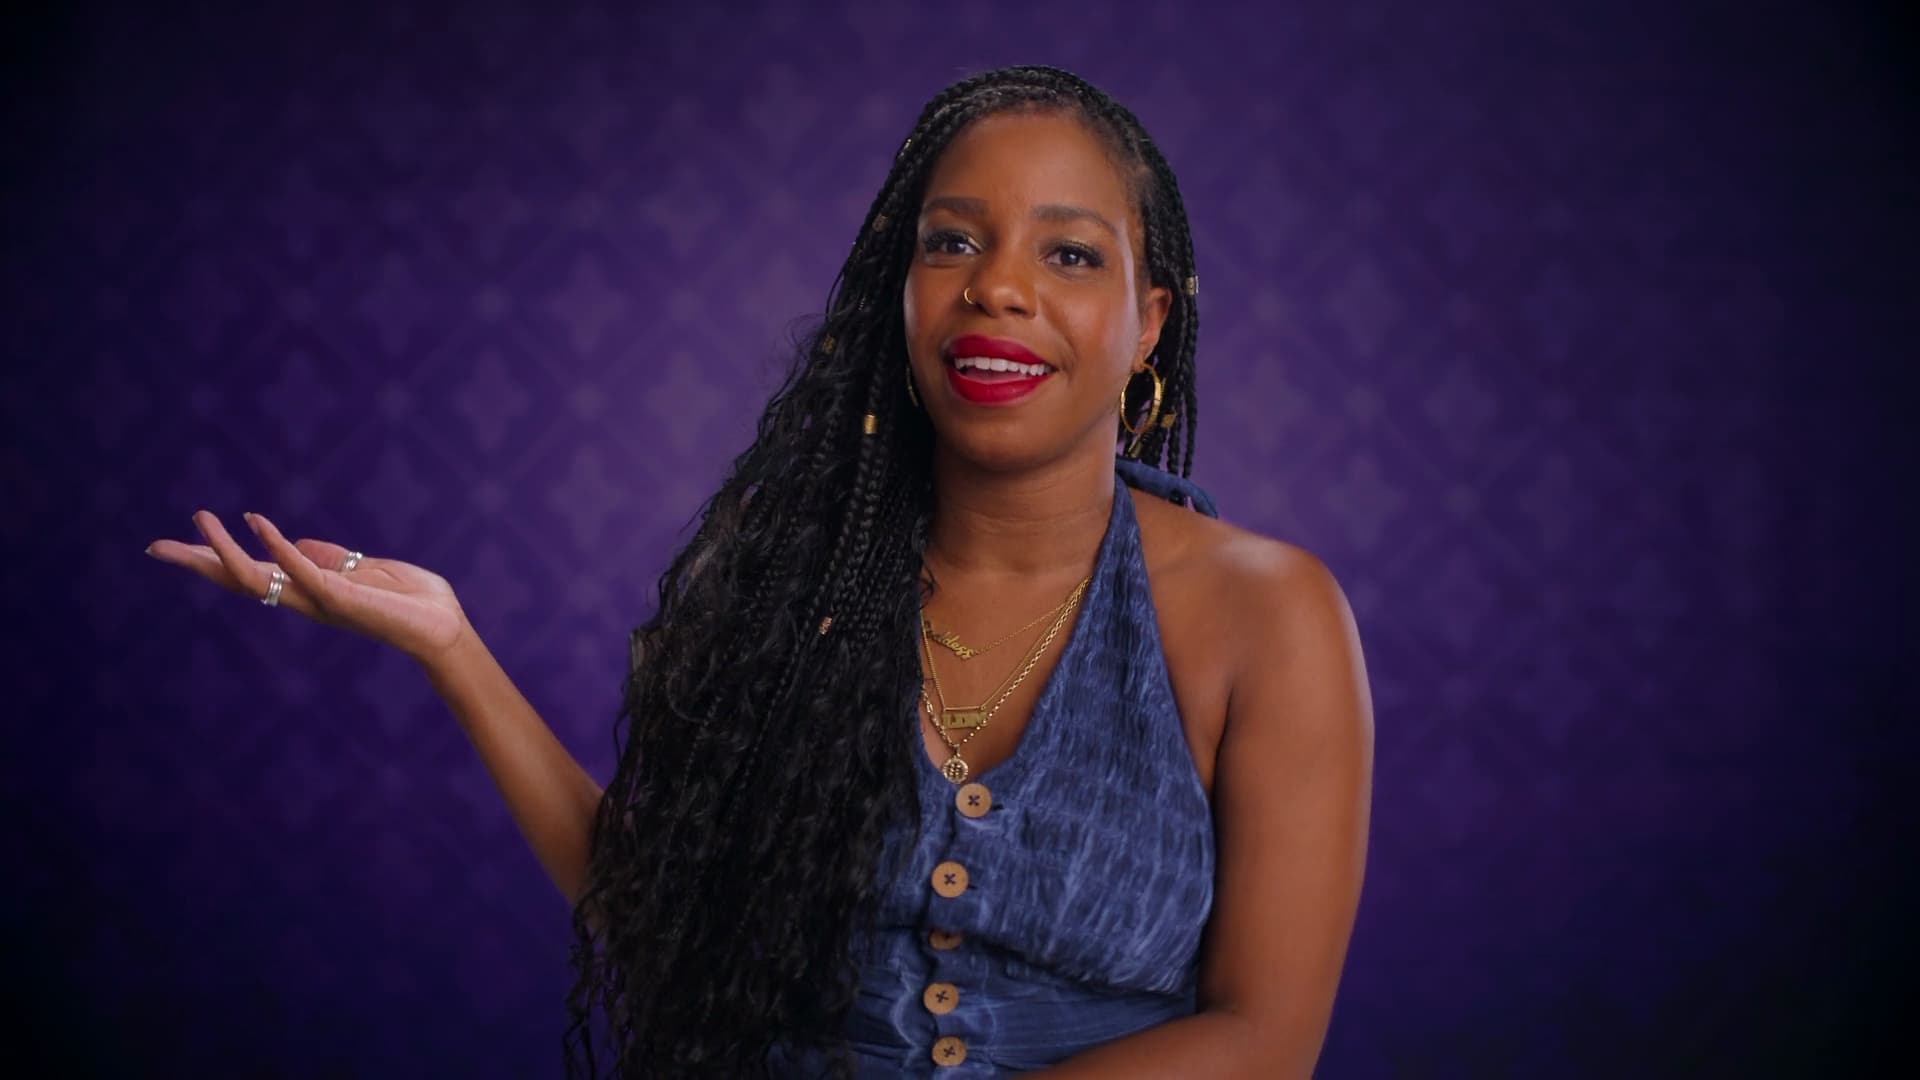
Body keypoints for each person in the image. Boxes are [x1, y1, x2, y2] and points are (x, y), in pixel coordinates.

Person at [147, 65, 1373, 1079]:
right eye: (952, 242)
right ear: (902, 296)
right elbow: (674, 929)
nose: (998, 285)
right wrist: (452, 647)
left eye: (1070, 255)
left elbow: (1265, 1039)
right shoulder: (800, 574)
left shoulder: (1268, 616)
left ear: (1149, 321)